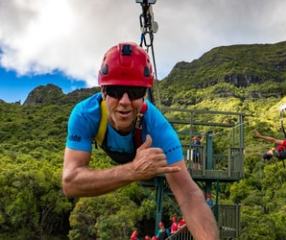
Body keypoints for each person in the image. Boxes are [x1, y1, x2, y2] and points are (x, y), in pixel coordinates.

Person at [62, 42, 219, 240]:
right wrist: (133, 170)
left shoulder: (157, 127)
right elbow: (70, 184)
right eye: (116, 91)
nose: (125, 102)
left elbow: (189, 195)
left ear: (145, 95)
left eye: (135, 92)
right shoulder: (85, 115)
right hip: (134, 162)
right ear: (103, 91)